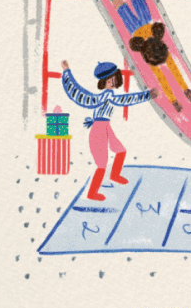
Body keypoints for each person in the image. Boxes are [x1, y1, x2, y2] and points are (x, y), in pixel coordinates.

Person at [60, 59, 154, 202]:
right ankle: (92, 193)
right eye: (109, 80)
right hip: (98, 130)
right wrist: (67, 72)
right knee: (102, 165)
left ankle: (115, 175)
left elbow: (78, 93)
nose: (112, 82)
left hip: (106, 127)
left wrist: (67, 72)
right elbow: (77, 93)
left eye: (114, 79)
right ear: (103, 82)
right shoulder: (105, 98)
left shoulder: (106, 96)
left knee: (120, 150)